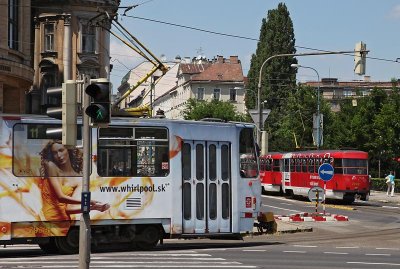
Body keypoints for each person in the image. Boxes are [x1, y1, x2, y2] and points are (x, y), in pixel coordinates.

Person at [39, 140, 109, 224]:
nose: (59, 155)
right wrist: (87, 202)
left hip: (63, 223)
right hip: (46, 221)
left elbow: (69, 209)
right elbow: (60, 197)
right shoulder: (51, 166)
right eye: (54, 153)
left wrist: (94, 207)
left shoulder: (79, 179)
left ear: (68, 150)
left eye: (61, 150)